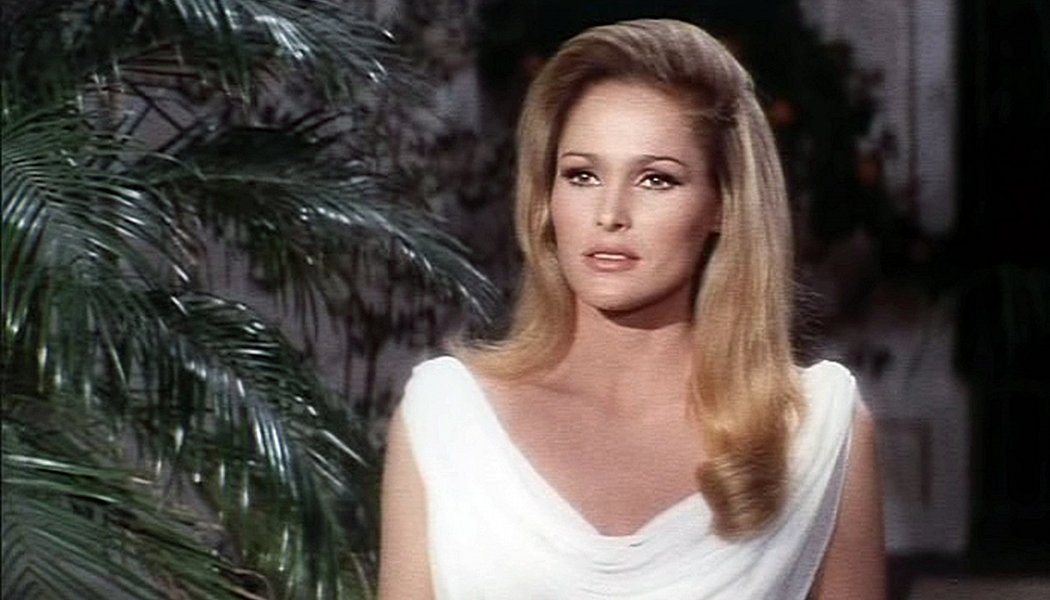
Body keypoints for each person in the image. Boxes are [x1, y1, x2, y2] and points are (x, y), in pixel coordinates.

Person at [378, 18, 885, 599]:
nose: (610, 214)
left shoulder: (815, 431)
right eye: (582, 175)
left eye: (656, 180)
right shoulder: (448, 418)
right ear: (546, 197)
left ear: (722, 204)